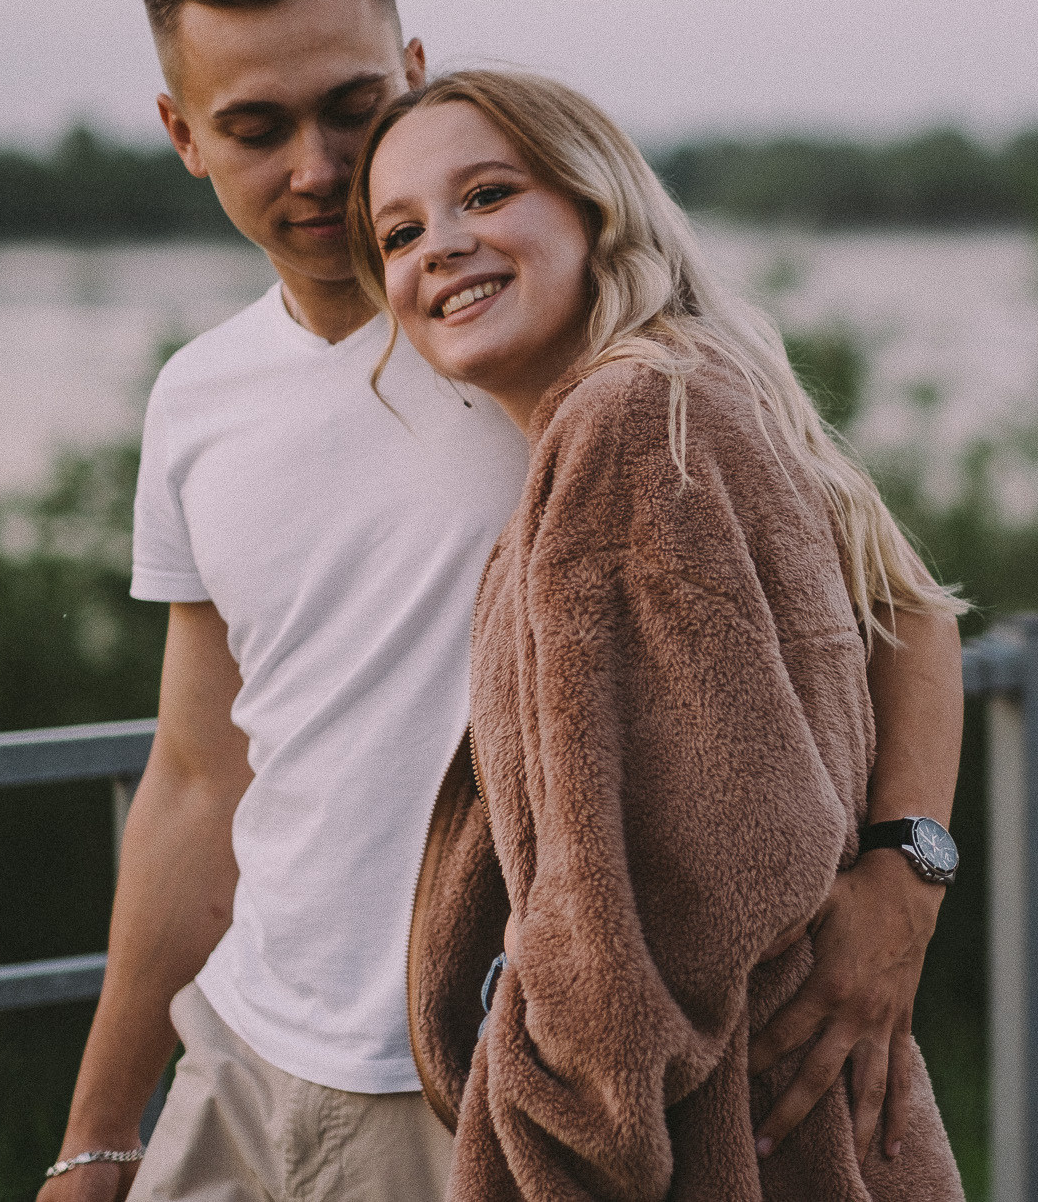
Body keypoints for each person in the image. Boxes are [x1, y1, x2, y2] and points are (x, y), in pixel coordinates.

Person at [42, 0, 963, 1202]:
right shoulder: (197, 397)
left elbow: (900, 611)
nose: (314, 166)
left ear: (411, 74)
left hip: (475, 1083)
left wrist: (904, 880)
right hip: (240, 1062)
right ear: (183, 134)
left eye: (351, 109)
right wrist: (98, 1129)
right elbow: (198, 775)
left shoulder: (564, 348)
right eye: (254, 126)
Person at [351, 67, 968, 1201]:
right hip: (813, 1133)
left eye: (485, 195)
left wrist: (544, 1128)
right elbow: (903, 607)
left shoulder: (627, 429)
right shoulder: (700, 391)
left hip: (710, 1146)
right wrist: (903, 866)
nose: (437, 245)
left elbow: (668, 903)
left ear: (592, 202)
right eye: (399, 231)